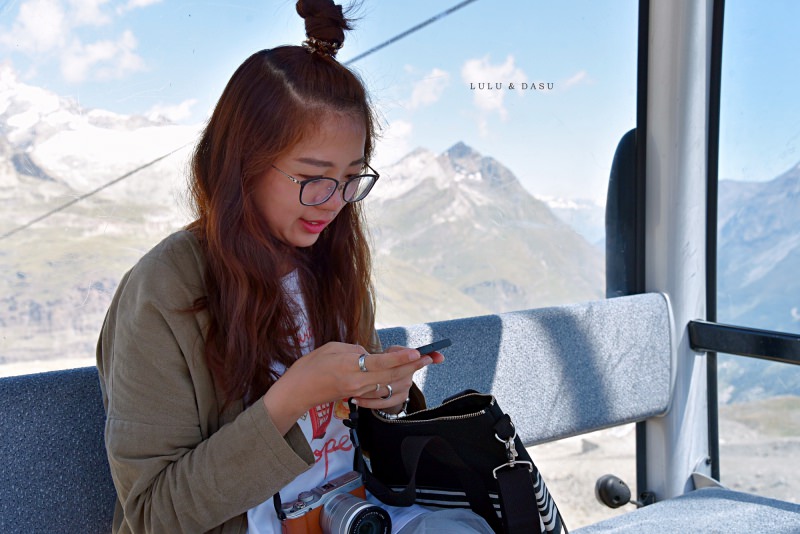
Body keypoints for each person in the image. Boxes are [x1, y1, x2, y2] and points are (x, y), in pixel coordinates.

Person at [97, 0, 494, 532]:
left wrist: (384, 398)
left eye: (352, 178)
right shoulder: (166, 288)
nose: (333, 202)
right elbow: (153, 514)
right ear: (243, 165)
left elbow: (349, 438)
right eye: (313, 176)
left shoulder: (329, 259)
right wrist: (291, 398)